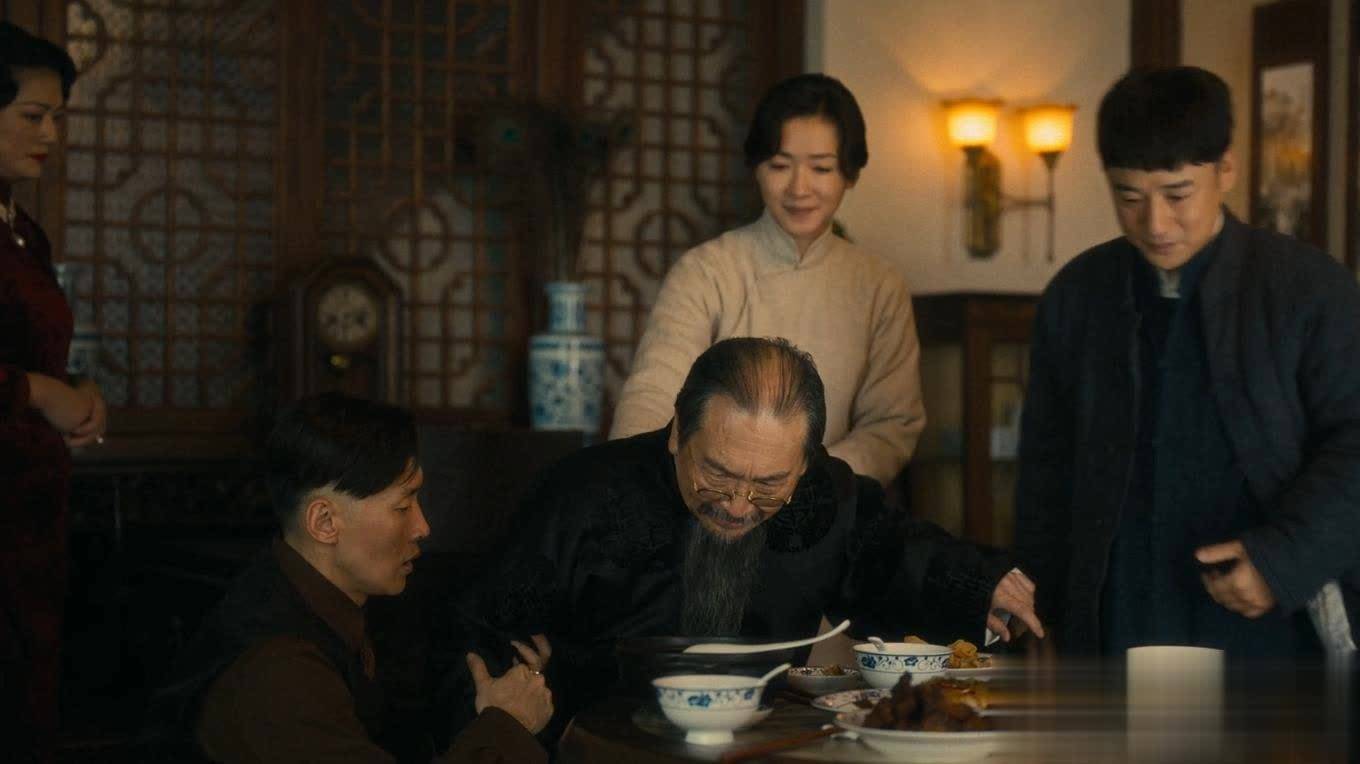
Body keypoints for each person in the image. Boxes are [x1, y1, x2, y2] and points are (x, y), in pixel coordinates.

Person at [469, 337, 1042, 734]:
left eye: (769, 485)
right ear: (677, 432)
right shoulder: (586, 492)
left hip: (761, 743)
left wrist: (979, 586)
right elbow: (486, 633)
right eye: (717, 475)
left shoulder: (822, 495)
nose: (739, 506)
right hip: (601, 747)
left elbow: (893, 552)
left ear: (804, 464)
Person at [1014, 66, 1360, 658]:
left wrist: (1282, 560)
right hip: (1117, 612)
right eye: (1129, 197)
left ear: (1226, 170)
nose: (1155, 224)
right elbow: (1045, 472)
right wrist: (1036, 607)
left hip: (1266, 616)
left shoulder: (1308, 288)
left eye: (1178, 195)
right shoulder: (1078, 294)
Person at [152, 393, 553, 762]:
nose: (422, 527)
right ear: (324, 521)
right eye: (403, 507)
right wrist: (508, 723)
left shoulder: (320, 600)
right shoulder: (275, 673)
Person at [609, 73, 924, 488]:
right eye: (779, 165)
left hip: (827, 498)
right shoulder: (706, 270)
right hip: (710, 496)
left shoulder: (879, 286)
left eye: (821, 168)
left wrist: (802, 483)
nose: (799, 187)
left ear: (850, 174)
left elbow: (891, 424)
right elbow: (653, 394)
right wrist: (634, 481)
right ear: (756, 168)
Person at [0, 22, 107, 763]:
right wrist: (37, 390)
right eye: (32, 116)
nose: (50, 136)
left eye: (56, 118)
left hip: (29, 519)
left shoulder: (22, 231)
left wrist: (77, 391)